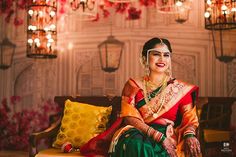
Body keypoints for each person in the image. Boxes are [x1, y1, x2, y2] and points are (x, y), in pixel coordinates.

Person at [80, 37, 201, 157]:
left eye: (166, 55)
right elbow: (129, 118)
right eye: (156, 54)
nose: (162, 59)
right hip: (136, 132)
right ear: (145, 58)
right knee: (137, 145)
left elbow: (189, 119)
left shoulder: (180, 89)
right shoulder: (133, 85)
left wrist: (190, 135)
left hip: (167, 134)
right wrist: (158, 137)